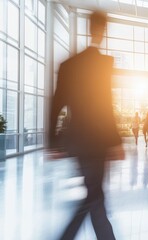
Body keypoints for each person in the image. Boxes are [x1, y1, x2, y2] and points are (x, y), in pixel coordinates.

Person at [48, 11, 122, 240]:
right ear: (103, 31)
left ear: (89, 28)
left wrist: (53, 141)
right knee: (95, 197)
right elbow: (105, 105)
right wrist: (116, 141)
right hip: (98, 143)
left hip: (78, 142)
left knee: (93, 195)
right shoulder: (104, 64)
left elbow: (56, 103)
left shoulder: (69, 65)